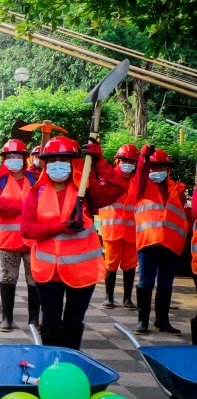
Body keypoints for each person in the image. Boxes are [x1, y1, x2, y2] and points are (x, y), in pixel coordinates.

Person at [21, 137, 125, 350]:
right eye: (52, 160)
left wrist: (101, 162)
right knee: (49, 320)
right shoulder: (36, 192)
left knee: (74, 321)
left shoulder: (86, 191)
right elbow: (27, 229)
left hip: (81, 272)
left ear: (74, 162)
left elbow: (117, 188)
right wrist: (58, 227)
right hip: (48, 272)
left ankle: (70, 365)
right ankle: (51, 366)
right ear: (45, 164)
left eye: (63, 159)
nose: (57, 164)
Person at [132, 146, 190, 335]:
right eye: (153, 167)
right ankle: (142, 321)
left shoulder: (177, 188)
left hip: (172, 244)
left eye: (161, 167)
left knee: (166, 283)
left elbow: (185, 215)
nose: (156, 171)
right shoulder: (141, 186)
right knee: (146, 282)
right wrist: (143, 157)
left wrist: (187, 242)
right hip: (149, 242)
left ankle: (162, 321)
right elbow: (141, 172)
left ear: (168, 169)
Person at [0, 139, 39, 331]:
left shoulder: (35, 179)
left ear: (25, 158)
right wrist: (24, 207)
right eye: (9, 156)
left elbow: (40, 204)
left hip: (31, 239)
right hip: (8, 240)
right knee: (8, 277)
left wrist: (16, 209)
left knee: (33, 278)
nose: (13, 159)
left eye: (17, 156)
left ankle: (34, 319)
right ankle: (6, 318)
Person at [98, 144, 139, 310]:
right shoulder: (109, 178)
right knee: (111, 264)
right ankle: (109, 297)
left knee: (130, 264)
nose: (127, 163)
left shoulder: (138, 181)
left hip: (132, 230)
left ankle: (127, 299)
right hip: (112, 229)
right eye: (124, 160)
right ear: (117, 160)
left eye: (131, 161)